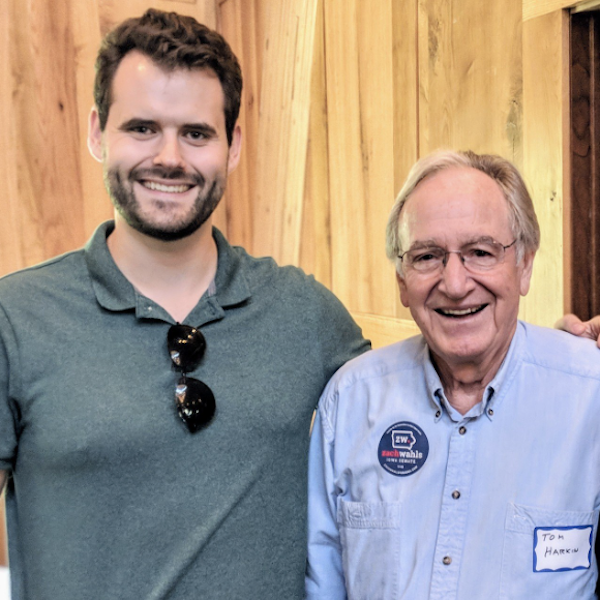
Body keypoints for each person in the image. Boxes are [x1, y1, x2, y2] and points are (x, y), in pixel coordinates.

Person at [0, 10, 369, 600]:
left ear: (233, 145)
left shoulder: (307, 316)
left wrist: (557, 360)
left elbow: (432, 403)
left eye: (196, 133)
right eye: (142, 128)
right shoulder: (14, 319)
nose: (169, 157)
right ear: (97, 133)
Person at [305, 150, 600, 599]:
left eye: (481, 252)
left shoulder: (589, 396)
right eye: (427, 256)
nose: (456, 283)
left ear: (524, 265)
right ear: (402, 280)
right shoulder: (350, 403)